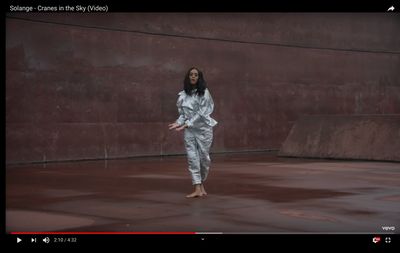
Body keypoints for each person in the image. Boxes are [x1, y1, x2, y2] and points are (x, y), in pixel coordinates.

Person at [168, 67, 218, 198]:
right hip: (189, 131)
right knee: (192, 158)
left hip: (204, 130)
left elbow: (202, 113)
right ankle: (197, 187)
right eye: (191, 75)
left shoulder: (204, 93)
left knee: (204, 159)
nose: (193, 77)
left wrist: (186, 124)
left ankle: (201, 185)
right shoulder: (183, 95)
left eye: (196, 75)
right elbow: (183, 114)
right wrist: (179, 123)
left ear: (199, 77)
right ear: (188, 77)